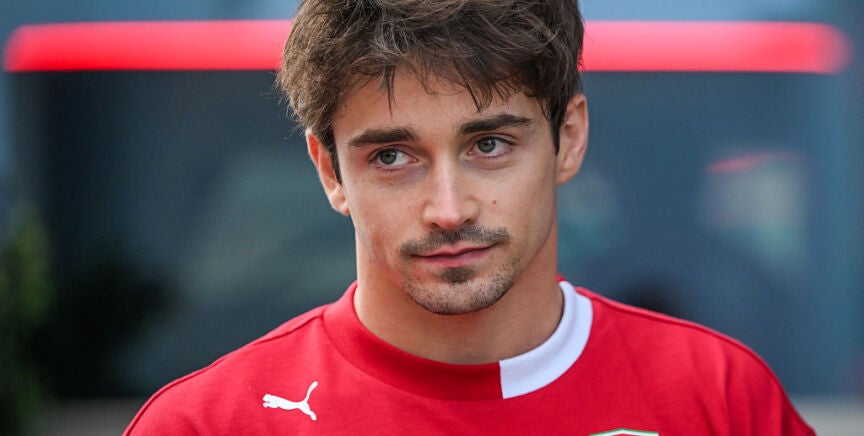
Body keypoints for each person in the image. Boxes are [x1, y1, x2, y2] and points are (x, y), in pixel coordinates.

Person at [125, 1, 814, 434]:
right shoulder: (206, 425)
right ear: (329, 170)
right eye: (392, 156)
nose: (448, 210)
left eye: (489, 145)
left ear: (569, 138)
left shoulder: (721, 399)